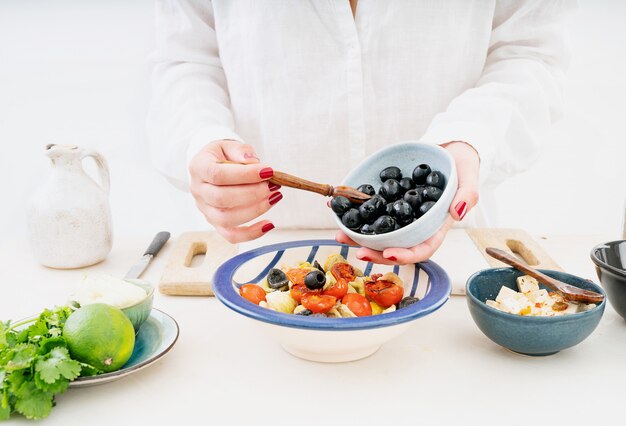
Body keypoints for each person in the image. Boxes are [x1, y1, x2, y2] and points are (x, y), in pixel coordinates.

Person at [147, 0, 575, 265]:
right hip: (257, 248)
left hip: (446, 246)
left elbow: (530, 52)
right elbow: (184, 60)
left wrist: (469, 137)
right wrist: (200, 138)